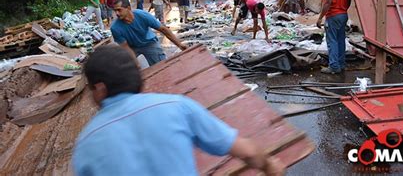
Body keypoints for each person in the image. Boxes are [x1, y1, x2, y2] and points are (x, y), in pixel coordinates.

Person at [72, 45, 285, 176]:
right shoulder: (175, 106)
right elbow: (245, 151)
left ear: (99, 88)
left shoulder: (86, 142)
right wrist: (269, 165)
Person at [111, 0, 187, 65]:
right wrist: (135, 63)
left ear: (128, 8)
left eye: (119, 10)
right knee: (123, 67)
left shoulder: (142, 16)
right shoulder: (115, 28)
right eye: (115, 11)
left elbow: (163, 29)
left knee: (161, 66)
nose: (117, 13)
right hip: (132, 47)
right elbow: (126, 47)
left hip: (149, 43)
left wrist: (179, 44)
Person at [317, 0, 351, 75]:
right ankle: (341, 64)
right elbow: (349, 0)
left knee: (332, 41)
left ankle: (334, 66)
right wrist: (344, 9)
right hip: (343, 15)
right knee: (341, 40)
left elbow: (327, 3)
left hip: (333, 16)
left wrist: (320, 17)